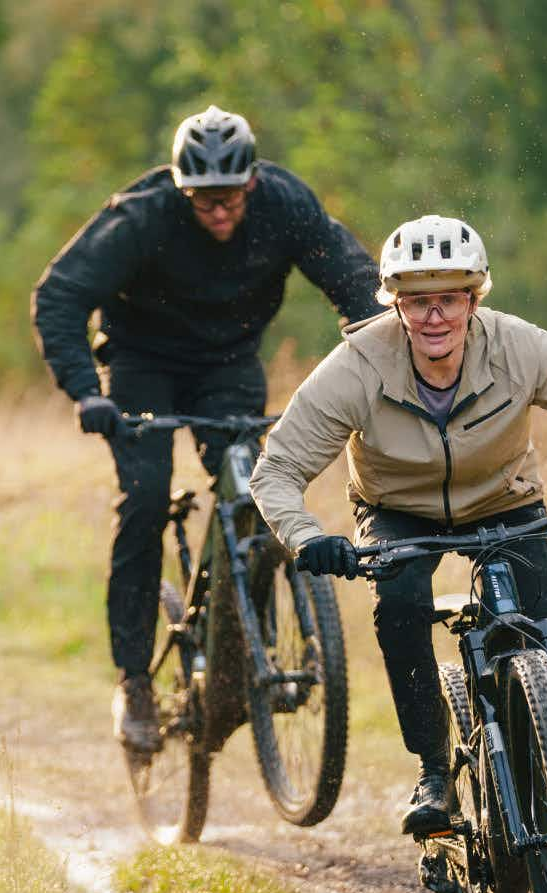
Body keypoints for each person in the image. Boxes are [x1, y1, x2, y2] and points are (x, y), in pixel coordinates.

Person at [249, 213, 547, 836]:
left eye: (449, 299)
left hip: (506, 501)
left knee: (541, 637)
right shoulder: (357, 366)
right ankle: (433, 769)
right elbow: (278, 469)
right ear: (394, 305)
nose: (433, 318)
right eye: (417, 302)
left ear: (473, 299)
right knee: (398, 603)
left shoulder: (517, 348)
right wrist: (310, 537)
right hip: (398, 511)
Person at [31, 104, 379, 755]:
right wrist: (85, 390)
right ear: (181, 189)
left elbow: (354, 279)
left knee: (257, 491)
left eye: (229, 199)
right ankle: (134, 680)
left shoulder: (285, 204)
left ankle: (250, 657)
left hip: (227, 363)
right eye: (203, 202)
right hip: (142, 365)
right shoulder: (141, 216)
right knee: (144, 498)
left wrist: (377, 356)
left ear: (251, 183)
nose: (219, 214)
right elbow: (59, 294)